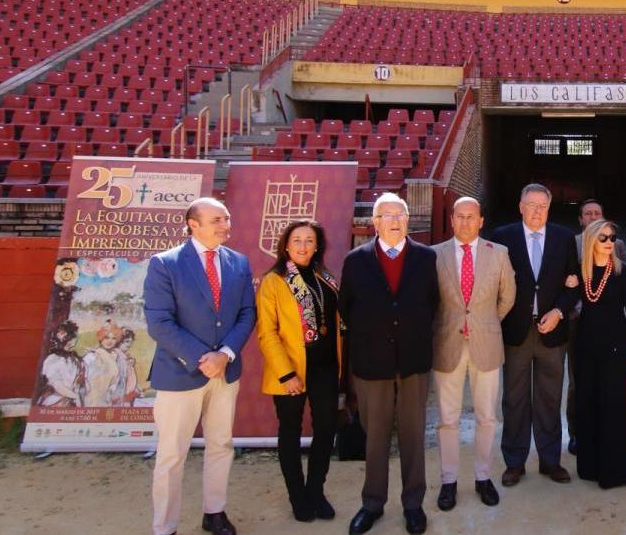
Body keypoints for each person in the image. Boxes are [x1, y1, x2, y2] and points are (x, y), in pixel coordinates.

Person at [144, 197, 256, 535]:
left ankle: (215, 512)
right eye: (217, 220)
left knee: (221, 445)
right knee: (171, 455)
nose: (225, 226)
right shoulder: (165, 264)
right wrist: (201, 357)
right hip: (180, 373)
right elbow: (160, 322)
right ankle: (165, 527)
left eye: (227, 218)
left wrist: (225, 354)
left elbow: (246, 314)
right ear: (194, 224)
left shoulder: (239, 262)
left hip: (226, 371)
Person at [341, 193, 438, 535]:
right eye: (387, 215)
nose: (395, 221)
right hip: (372, 364)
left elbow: (433, 305)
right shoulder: (356, 260)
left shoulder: (427, 258)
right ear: (375, 222)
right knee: (375, 438)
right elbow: (346, 310)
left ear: (408, 220)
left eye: (401, 214)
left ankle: (413, 504)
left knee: (413, 436)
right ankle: (372, 504)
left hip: (413, 362)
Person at [431, 197, 516, 511]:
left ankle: (483, 477)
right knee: (448, 420)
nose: (466, 222)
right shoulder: (434, 255)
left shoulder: (499, 254)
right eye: (460, 216)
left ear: (481, 221)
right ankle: (449, 481)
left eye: (472, 217)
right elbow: (429, 299)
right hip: (447, 344)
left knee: (487, 417)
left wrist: (486, 321)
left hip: (486, 343)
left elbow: (508, 296)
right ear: (452, 220)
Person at [491, 183, 579, 486]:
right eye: (531, 204)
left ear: (549, 208)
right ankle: (514, 462)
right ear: (520, 206)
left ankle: (550, 460)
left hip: (552, 331)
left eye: (542, 205)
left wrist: (558, 312)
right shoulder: (502, 237)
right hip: (515, 332)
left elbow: (574, 284)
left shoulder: (565, 238)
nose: (537, 211)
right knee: (514, 399)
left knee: (549, 398)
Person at [255, 219, 343, 523]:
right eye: (297, 240)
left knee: (326, 429)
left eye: (309, 240)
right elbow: (267, 333)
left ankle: (316, 491)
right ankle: (298, 496)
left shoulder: (325, 276)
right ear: (286, 245)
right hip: (291, 370)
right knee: (290, 432)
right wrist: (286, 373)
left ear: (317, 244)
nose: (303, 246)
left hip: (326, 367)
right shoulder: (275, 280)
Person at [573, 219, 626, 489]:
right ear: (591, 239)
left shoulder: (622, 272)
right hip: (586, 348)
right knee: (587, 404)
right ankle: (589, 466)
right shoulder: (580, 272)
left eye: (612, 237)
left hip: (615, 348)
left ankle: (613, 472)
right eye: (603, 237)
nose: (609, 242)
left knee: (612, 407)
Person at [567, 198, 626, 454]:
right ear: (581, 219)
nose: (593, 217)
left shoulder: (618, 245)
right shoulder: (570, 243)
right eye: (588, 214)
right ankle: (577, 433)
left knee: (608, 383)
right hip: (577, 323)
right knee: (577, 382)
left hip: (607, 326)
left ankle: (604, 433)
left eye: (597, 213)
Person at [37, 320, 84, 407]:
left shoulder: (75, 359)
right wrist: (74, 396)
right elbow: (55, 384)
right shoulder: (53, 359)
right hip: (55, 401)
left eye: (73, 339)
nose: (71, 344)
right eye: (68, 340)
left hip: (72, 401)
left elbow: (81, 384)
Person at [82, 320, 123, 407]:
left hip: (106, 400)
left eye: (113, 338)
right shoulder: (91, 356)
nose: (110, 341)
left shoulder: (116, 358)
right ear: (101, 338)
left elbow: (115, 382)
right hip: (89, 398)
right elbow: (82, 378)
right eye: (106, 337)